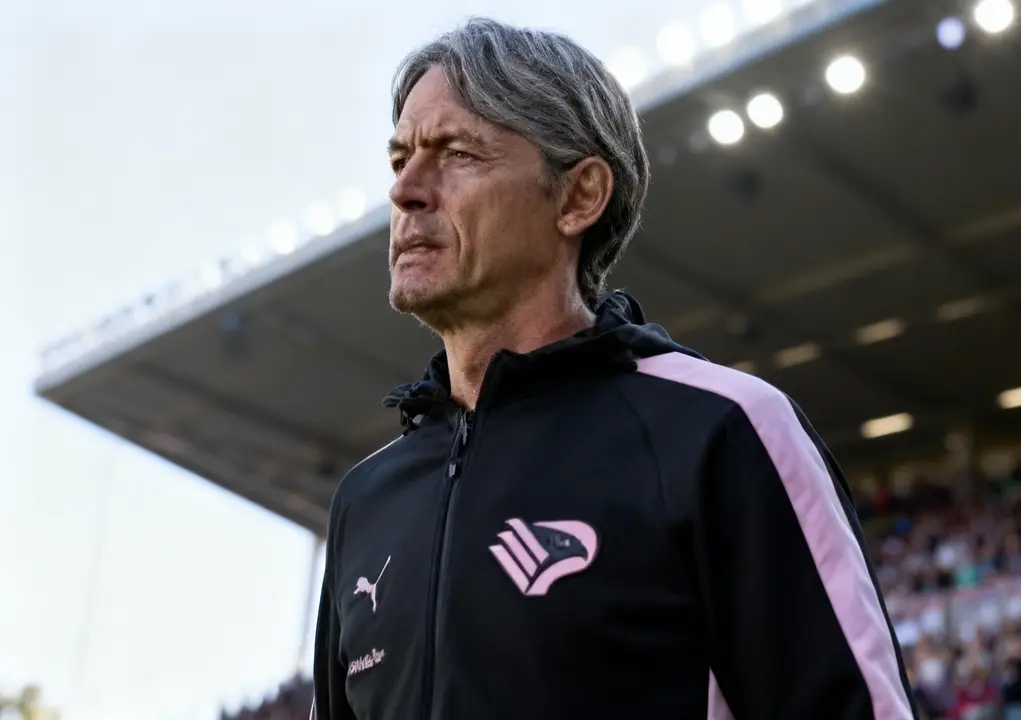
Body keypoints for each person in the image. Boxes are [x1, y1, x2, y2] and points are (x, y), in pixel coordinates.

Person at [310, 17, 913, 720]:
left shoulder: (719, 430)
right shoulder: (366, 498)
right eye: (400, 158)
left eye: (457, 153)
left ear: (578, 197)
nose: (406, 190)